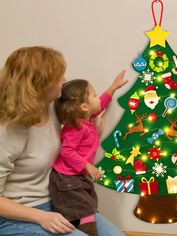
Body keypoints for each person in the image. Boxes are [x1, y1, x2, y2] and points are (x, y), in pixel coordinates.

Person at [0, 46, 125, 236]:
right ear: (40, 84)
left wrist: (94, 131)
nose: (64, 80)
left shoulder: (51, 108)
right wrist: (41, 217)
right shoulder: (6, 131)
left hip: (58, 200)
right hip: (18, 216)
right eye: (59, 77)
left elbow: (89, 108)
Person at [49, 71, 127, 236]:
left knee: (87, 207)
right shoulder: (76, 127)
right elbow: (66, 150)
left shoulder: (88, 118)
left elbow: (101, 104)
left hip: (76, 177)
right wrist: (88, 166)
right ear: (83, 106)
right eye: (94, 94)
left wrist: (113, 87)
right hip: (66, 178)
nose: (98, 98)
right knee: (86, 210)